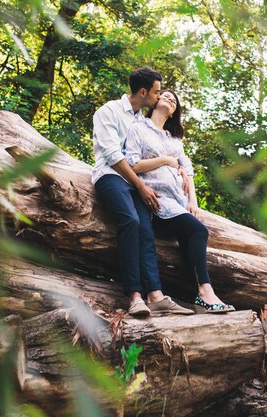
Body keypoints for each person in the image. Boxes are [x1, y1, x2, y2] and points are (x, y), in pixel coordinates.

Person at [92, 68, 194, 317]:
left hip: (137, 181)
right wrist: (140, 186)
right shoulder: (109, 111)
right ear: (143, 92)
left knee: (146, 230)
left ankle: (156, 295)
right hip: (111, 176)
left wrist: (179, 171)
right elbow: (113, 157)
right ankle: (134, 296)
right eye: (158, 92)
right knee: (131, 220)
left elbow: (162, 153)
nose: (159, 97)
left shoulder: (141, 121)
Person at [124, 90, 235, 313]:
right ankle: (205, 293)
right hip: (155, 198)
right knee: (198, 231)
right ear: (154, 102)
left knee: (190, 235)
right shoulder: (138, 128)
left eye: (174, 101)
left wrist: (193, 200)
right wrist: (165, 161)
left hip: (178, 200)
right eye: (166, 96)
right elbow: (132, 164)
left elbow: (188, 171)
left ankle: (202, 298)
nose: (171, 99)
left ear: (175, 112)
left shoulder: (174, 140)